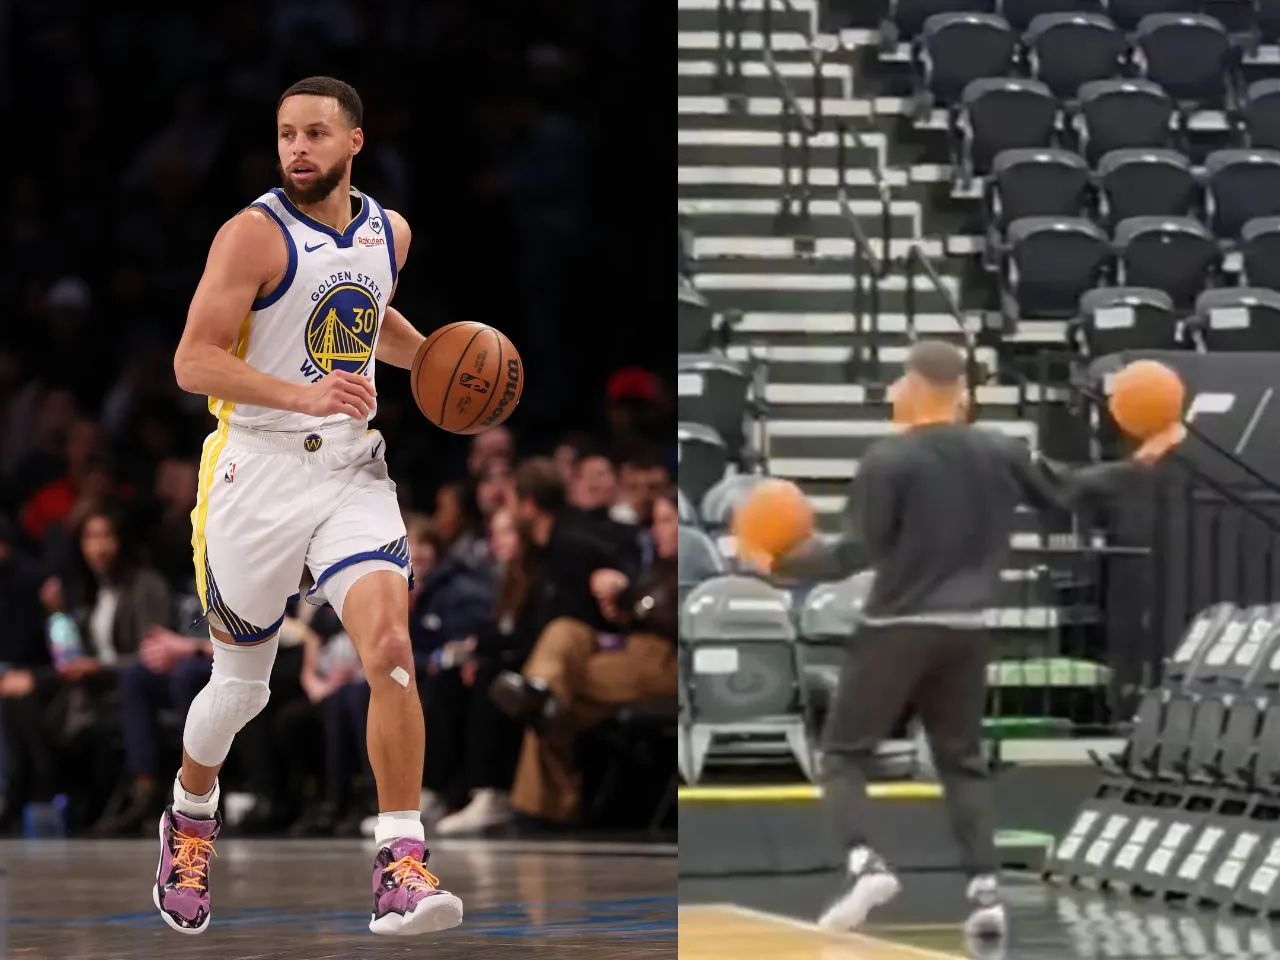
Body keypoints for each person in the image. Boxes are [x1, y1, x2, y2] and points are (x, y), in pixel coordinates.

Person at [753, 341, 1186, 946]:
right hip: (968, 627)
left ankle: (866, 867)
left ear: (917, 383)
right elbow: (1065, 495)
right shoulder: (999, 449)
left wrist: (776, 560)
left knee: (843, 753)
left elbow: (854, 553)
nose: (895, 392)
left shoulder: (888, 459)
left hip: (898, 627)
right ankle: (985, 891)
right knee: (962, 762)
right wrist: (1140, 463)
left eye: (900, 380)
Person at [164, 76, 462, 936]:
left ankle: (400, 864)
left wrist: (442, 360)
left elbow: (371, 322)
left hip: (347, 470)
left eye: (316, 134)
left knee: (392, 649)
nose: (298, 148)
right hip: (254, 472)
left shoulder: (388, 232)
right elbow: (192, 360)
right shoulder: (251, 236)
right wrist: (301, 397)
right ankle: (189, 819)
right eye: (288, 134)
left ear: (355, 142)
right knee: (240, 690)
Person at [491, 487, 678, 824]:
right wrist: (621, 602)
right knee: (564, 631)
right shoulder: (659, 568)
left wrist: (629, 600)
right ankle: (540, 689)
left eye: (667, 520)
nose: (656, 530)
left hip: (668, 662)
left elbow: (672, 618)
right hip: (632, 652)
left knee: (554, 703)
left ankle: (539, 808)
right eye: (656, 521)